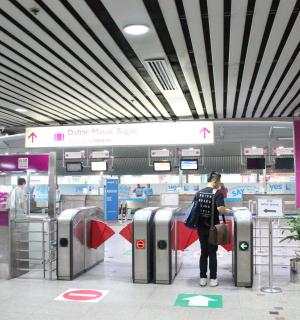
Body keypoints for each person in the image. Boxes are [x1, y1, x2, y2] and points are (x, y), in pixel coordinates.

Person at [194, 172, 231, 287]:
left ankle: (202, 278)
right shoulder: (217, 194)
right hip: (213, 229)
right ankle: (213, 279)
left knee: (203, 252)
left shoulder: (199, 193)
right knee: (212, 253)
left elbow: (194, 209)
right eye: (219, 182)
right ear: (215, 181)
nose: (219, 184)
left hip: (201, 228)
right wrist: (228, 210)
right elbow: (220, 210)